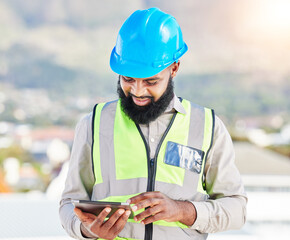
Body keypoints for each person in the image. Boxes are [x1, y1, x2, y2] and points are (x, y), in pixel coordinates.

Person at [59, 7, 247, 240]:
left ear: (174, 68)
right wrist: (86, 230)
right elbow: (68, 204)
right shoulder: (93, 125)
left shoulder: (208, 127)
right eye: (128, 79)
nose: (138, 91)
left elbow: (237, 209)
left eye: (151, 81)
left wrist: (183, 210)